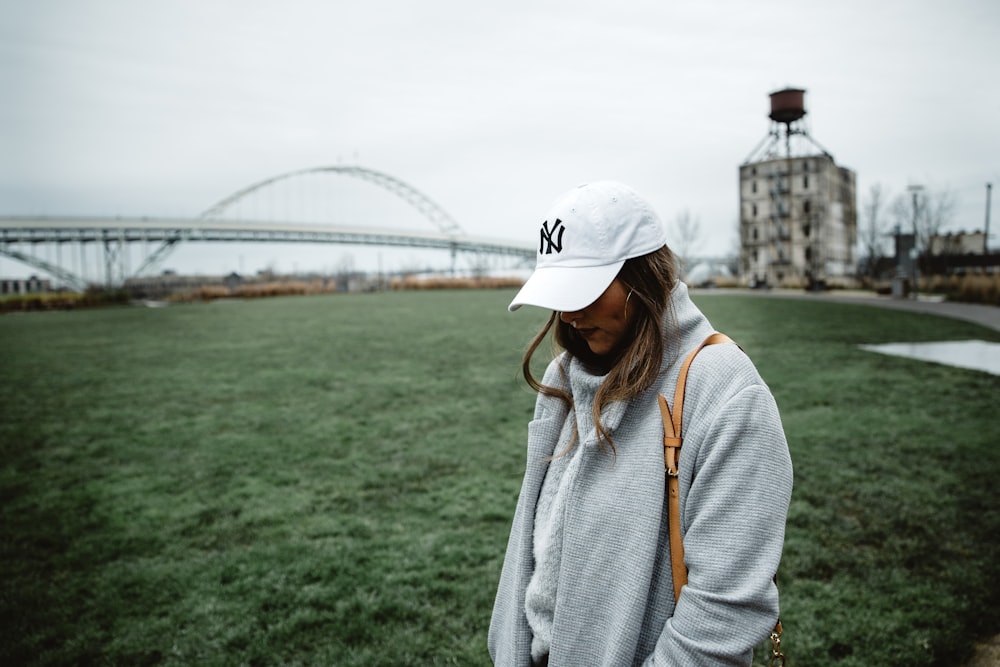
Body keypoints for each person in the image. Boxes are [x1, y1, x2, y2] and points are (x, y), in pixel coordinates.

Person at [488, 181, 793, 666]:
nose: (568, 313)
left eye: (584, 290)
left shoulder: (727, 392)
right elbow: (533, 555)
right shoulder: (564, 375)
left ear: (643, 277)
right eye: (558, 294)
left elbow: (724, 615)